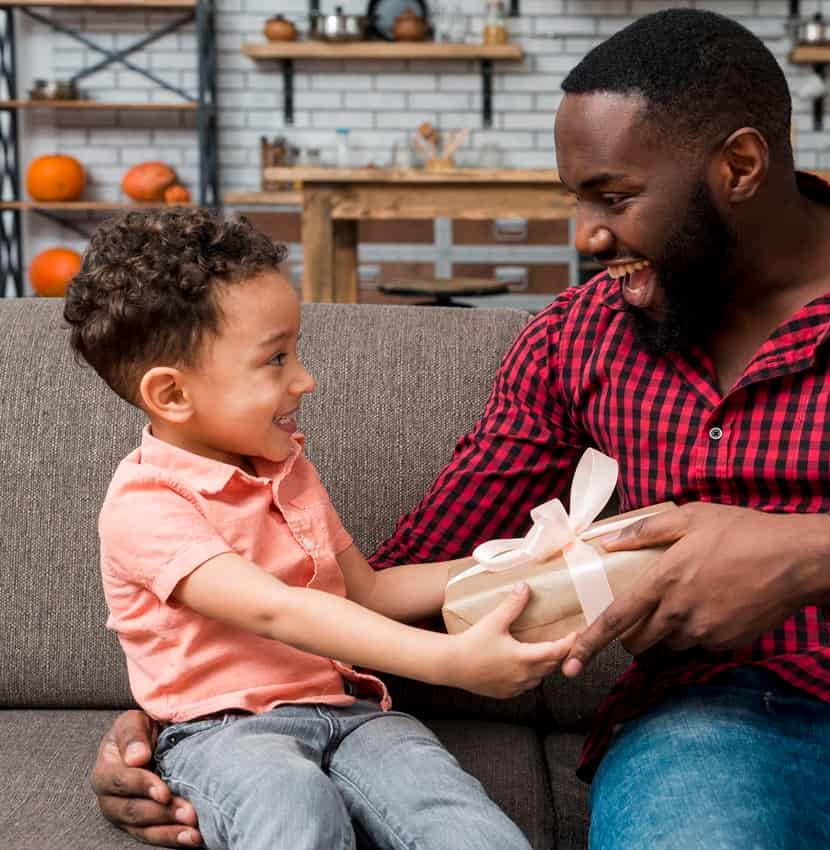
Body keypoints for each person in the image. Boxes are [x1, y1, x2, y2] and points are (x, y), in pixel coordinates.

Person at [93, 10, 830, 850]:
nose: (585, 238)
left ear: (739, 166)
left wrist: (825, 556)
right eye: (578, 202)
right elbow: (378, 590)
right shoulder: (576, 340)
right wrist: (187, 717)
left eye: (613, 198)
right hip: (710, 732)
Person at [68, 208, 575, 850]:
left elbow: (364, 591)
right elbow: (279, 611)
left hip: (353, 713)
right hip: (223, 733)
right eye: (276, 359)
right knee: (296, 814)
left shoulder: (288, 467)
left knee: (458, 820)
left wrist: (516, 561)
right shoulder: (144, 504)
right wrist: (450, 661)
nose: (305, 379)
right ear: (170, 395)